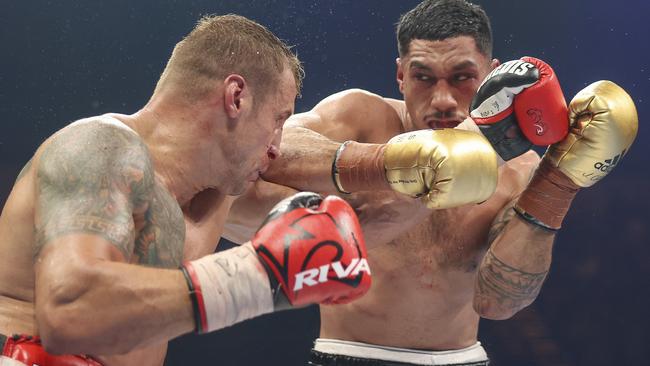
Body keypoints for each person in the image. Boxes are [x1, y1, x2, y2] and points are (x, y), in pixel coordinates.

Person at [223, 1, 638, 365]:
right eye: (424, 77)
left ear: (492, 75)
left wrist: (557, 182)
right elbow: (272, 147)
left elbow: (499, 301)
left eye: (461, 78)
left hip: (463, 358)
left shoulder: (519, 169)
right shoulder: (363, 118)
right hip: (350, 355)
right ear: (400, 76)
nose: (442, 99)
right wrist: (390, 163)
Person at [0, 14, 373, 366]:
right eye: (279, 119)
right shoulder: (101, 148)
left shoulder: (213, 194)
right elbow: (70, 310)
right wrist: (259, 277)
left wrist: (408, 168)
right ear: (236, 97)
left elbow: (355, 219)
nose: (276, 145)